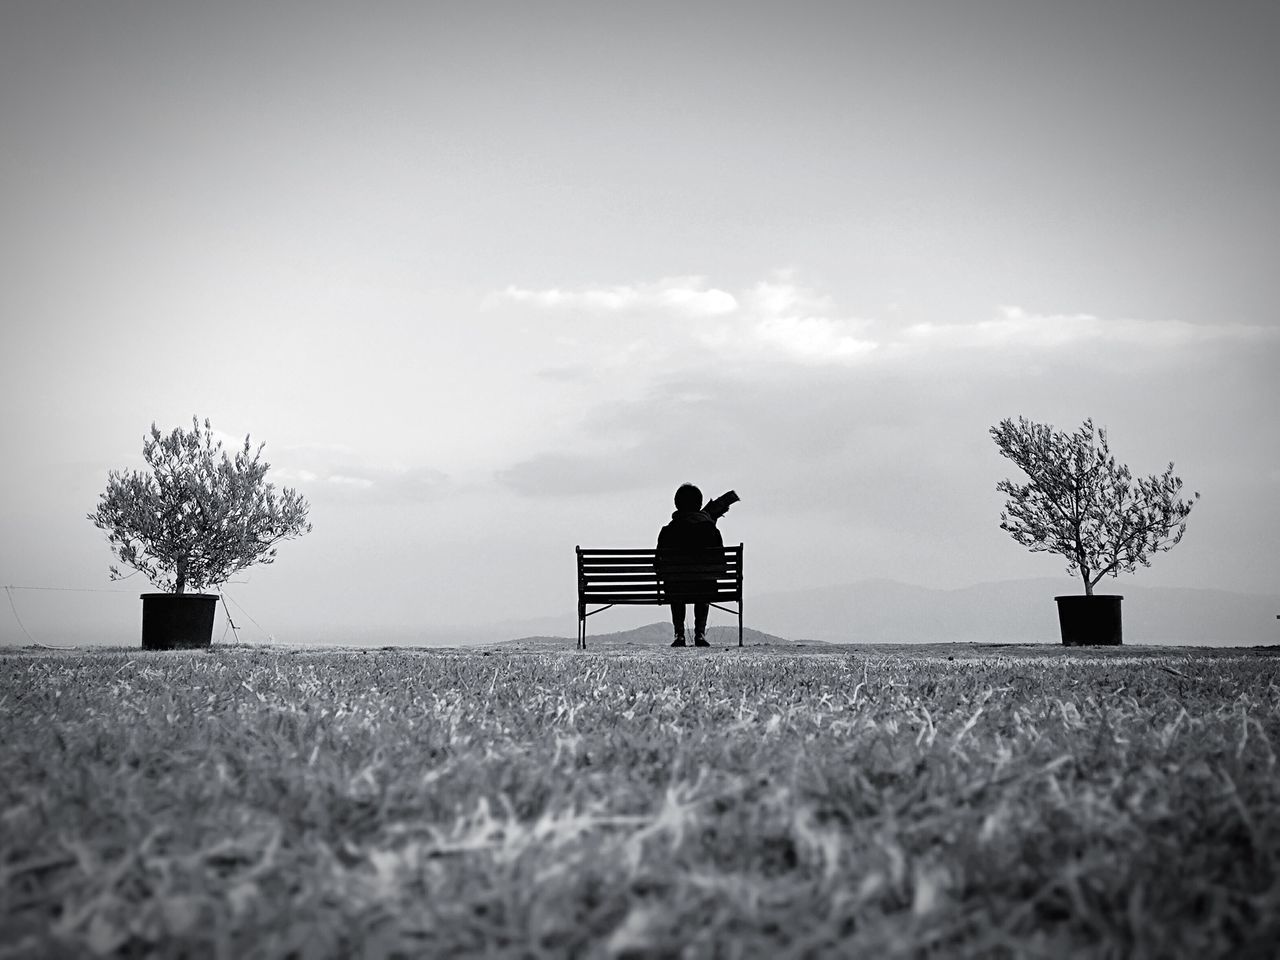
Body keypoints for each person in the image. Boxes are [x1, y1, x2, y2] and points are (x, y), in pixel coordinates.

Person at [656, 484, 739, 647]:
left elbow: (659, 564)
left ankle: (679, 634)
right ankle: (699, 633)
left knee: (675, 585)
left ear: (676, 504)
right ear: (700, 504)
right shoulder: (710, 529)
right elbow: (720, 564)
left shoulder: (668, 531)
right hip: (704, 587)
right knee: (704, 585)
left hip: (676, 588)